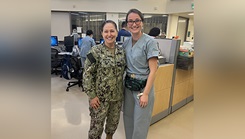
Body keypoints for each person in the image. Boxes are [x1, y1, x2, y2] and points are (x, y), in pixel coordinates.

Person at [83, 20, 126, 139]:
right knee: (96, 130)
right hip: (99, 99)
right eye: (106, 31)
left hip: (116, 99)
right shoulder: (95, 51)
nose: (109, 34)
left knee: (112, 127)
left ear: (117, 32)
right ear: (102, 33)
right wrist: (92, 96)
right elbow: (87, 75)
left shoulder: (122, 52)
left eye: (112, 31)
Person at [122, 8, 159, 139]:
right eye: (130, 21)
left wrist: (146, 94)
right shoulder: (125, 42)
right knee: (127, 119)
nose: (134, 24)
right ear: (127, 24)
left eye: (137, 20)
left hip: (143, 89)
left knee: (140, 124)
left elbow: (154, 70)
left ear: (142, 22)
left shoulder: (150, 42)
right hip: (128, 87)